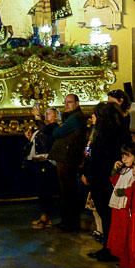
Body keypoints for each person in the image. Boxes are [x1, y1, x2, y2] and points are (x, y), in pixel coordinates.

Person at [82, 102, 130, 261]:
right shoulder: (104, 132)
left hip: (102, 178)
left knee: (106, 213)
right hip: (100, 177)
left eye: (95, 114)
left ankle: (110, 248)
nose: (92, 117)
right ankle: (109, 246)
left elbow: (97, 157)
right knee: (105, 214)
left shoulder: (105, 135)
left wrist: (89, 172)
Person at [49, 94, 87, 232]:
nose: (66, 105)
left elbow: (57, 133)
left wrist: (56, 123)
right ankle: (67, 221)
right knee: (66, 191)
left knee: (68, 191)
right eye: (65, 102)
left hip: (68, 158)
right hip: (67, 157)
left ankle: (70, 223)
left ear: (77, 103)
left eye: (69, 102)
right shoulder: (72, 117)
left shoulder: (75, 118)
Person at [24, 105, 59, 229]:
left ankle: (46, 218)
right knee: (41, 190)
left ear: (56, 116)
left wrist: (37, 117)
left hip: (46, 163)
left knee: (45, 190)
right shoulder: (44, 128)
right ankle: (44, 215)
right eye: (46, 113)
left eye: (49, 113)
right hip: (38, 162)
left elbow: (46, 133)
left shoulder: (53, 127)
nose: (46, 115)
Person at [107, 143, 135, 260]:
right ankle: (119, 256)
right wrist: (115, 170)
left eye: (128, 156)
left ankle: (126, 257)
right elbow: (114, 182)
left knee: (125, 232)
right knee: (117, 231)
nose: (124, 159)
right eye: (123, 156)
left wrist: (124, 192)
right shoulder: (125, 169)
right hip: (117, 204)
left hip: (125, 205)